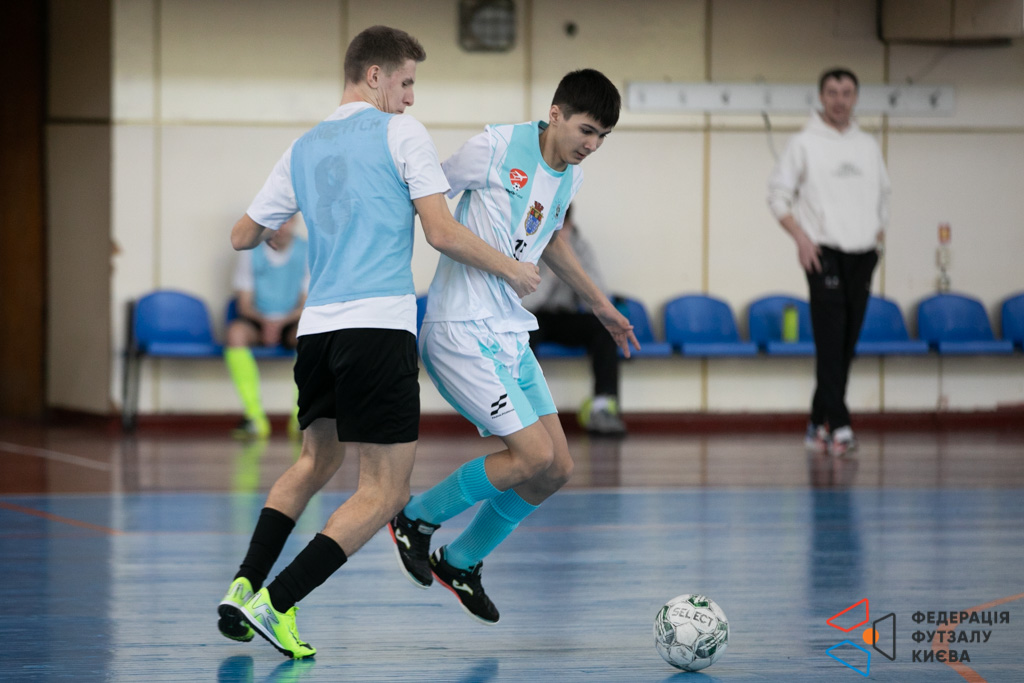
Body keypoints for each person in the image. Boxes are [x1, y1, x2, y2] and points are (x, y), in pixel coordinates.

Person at [216, 25, 540, 659]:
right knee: (386, 492)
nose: (411, 97)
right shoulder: (402, 133)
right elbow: (441, 232)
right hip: (377, 330)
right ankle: (277, 602)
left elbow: (241, 236)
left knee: (315, 463)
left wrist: (290, 220)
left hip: (318, 334)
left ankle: (243, 583)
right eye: (407, 81)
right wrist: (511, 269)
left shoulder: (303, 147)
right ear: (375, 76)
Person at [387, 69, 639, 625]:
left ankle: (461, 560)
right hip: (459, 329)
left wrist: (600, 305)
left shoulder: (569, 175)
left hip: (508, 332)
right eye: (586, 131)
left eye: (602, 137)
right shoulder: (496, 147)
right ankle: (415, 518)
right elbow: (429, 208)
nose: (592, 145)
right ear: (556, 114)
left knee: (556, 468)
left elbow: (549, 240)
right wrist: (504, 266)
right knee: (531, 455)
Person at [767, 67, 890, 457]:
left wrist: (877, 236)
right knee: (831, 341)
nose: (840, 100)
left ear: (855, 98)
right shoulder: (804, 143)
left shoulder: (867, 145)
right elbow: (777, 197)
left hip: (863, 255)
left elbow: (883, 196)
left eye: (847, 92)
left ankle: (816, 422)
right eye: (833, 92)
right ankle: (839, 425)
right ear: (821, 97)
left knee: (847, 344)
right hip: (824, 254)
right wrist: (801, 238)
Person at [523, 204, 626, 435]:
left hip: (566, 316)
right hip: (536, 316)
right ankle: (528, 411)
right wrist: (553, 270)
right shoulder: (531, 243)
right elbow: (527, 303)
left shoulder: (580, 246)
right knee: (523, 336)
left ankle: (603, 408)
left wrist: (572, 265)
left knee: (603, 329)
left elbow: (598, 297)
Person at [224, 215, 308, 440]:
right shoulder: (250, 251)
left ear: (295, 222)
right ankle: (254, 417)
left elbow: (306, 303)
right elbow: (244, 305)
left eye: (287, 221)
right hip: (257, 319)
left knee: (310, 338)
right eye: (277, 221)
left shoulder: (308, 251)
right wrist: (266, 323)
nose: (281, 227)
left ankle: (301, 417)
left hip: (292, 321)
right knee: (235, 334)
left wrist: (281, 323)